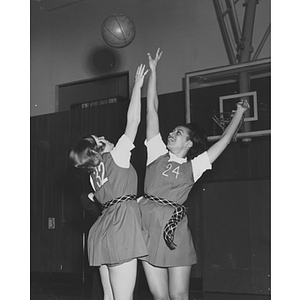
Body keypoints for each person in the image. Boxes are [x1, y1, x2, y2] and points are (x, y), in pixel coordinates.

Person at [138, 49, 250, 300]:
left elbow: (222, 142)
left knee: (178, 296)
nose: (171, 134)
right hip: (147, 228)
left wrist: (240, 114)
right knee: (160, 296)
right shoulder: (156, 153)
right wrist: (154, 72)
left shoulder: (194, 166)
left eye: (178, 133)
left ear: (189, 143)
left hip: (173, 229)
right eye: (172, 131)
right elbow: (151, 111)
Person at [69, 64, 149, 300]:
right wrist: (137, 87)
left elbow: (110, 195)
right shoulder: (117, 156)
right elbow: (133, 120)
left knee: (109, 297)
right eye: (100, 139)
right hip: (120, 227)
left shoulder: (93, 174)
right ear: (98, 151)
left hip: (103, 229)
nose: (105, 137)